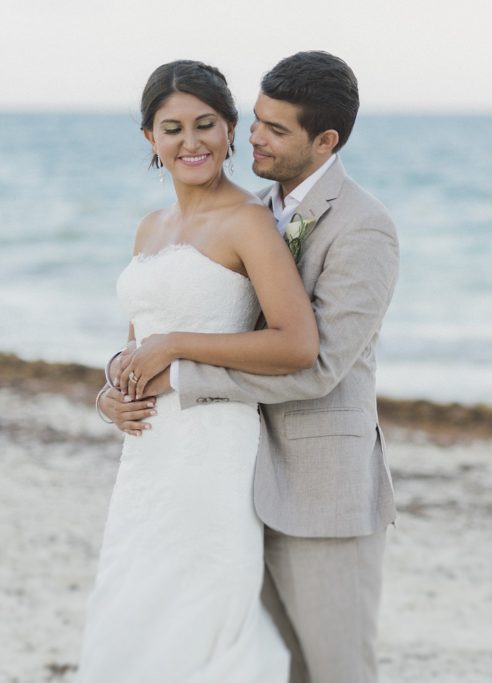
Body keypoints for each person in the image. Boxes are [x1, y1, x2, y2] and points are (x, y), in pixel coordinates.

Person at [98, 51, 399, 683]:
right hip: (219, 472)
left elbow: (315, 364)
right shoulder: (252, 208)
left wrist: (176, 369)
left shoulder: (362, 227)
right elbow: (152, 332)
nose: (255, 137)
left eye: (273, 129)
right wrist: (114, 388)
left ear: (325, 141)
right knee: (238, 652)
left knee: (335, 667)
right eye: (255, 121)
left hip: (319, 484)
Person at [77, 59, 317, 681]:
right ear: (149, 139)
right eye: (173, 128)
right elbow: (135, 346)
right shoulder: (149, 228)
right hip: (148, 455)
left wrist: (176, 343)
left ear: (231, 129)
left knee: (203, 603)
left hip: (215, 447)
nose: (191, 142)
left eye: (206, 124)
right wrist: (109, 395)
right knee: (136, 594)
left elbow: (296, 343)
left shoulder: (248, 221)